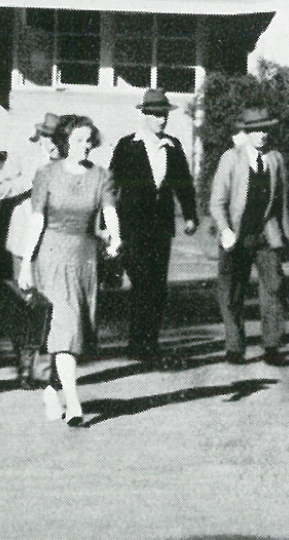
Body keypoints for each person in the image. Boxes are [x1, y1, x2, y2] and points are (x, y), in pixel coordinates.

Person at [16, 115, 121, 426]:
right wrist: (25, 264)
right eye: (78, 140)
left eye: (89, 140)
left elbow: (110, 215)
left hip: (85, 259)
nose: (85, 146)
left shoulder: (102, 176)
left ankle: (52, 388)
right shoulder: (46, 174)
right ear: (64, 142)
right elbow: (36, 222)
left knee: (76, 330)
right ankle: (74, 402)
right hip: (50, 256)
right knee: (65, 325)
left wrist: (116, 240)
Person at [109, 89, 200, 368]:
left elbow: (184, 184)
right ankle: (137, 343)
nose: (161, 120)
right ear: (145, 115)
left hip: (161, 228)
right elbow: (110, 186)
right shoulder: (127, 145)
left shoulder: (172, 146)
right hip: (133, 226)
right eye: (156, 115)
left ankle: (151, 341)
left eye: (164, 115)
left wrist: (190, 215)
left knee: (157, 287)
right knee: (141, 283)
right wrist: (107, 223)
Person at [209, 106, 289, 366]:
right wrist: (225, 230)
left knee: (274, 288)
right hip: (236, 235)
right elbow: (216, 202)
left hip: (265, 235)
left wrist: (285, 238)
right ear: (246, 131)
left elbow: (282, 204)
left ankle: (272, 346)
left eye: (265, 129)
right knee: (232, 291)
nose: (262, 134)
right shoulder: (231, 159)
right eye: (256, 129)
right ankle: (234, 346)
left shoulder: (275, 159)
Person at [0, 112, 59, 385]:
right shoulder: (22, 154)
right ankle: (24, 367)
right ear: (39, 134)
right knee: (25, 302)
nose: (53, 142)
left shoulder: (66, 159)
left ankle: (48, 368)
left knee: (49, 303)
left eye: (57, 137)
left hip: (53, 242)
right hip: (22, 238)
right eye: (49, 136)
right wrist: (29, 181)